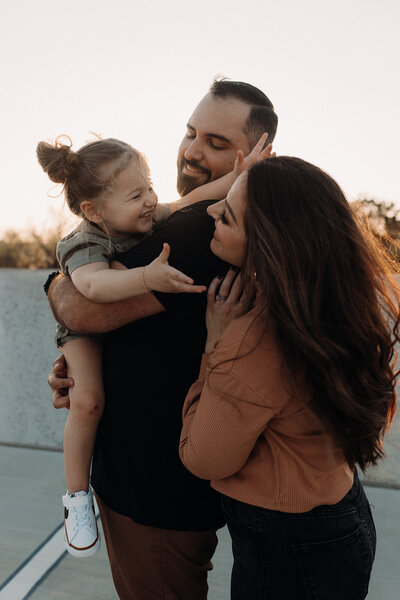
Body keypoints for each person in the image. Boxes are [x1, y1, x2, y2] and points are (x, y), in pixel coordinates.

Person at [46, 78, 278, 596]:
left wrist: (56, 284)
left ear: (255, 155)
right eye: (190, 133)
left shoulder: (202, 234)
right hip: (170, 485)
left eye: (216, 144)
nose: (193, 151)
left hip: (154, 494)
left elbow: (83, 306)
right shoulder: (203, 220)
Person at [179, 157, 400, 599]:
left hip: (291, 549)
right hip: (345, 515)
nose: (210, 212)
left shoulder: (254, 342)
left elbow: (201, 458)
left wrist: (215, 347)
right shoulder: (337, 300)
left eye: (227, 214)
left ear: (267, 245)